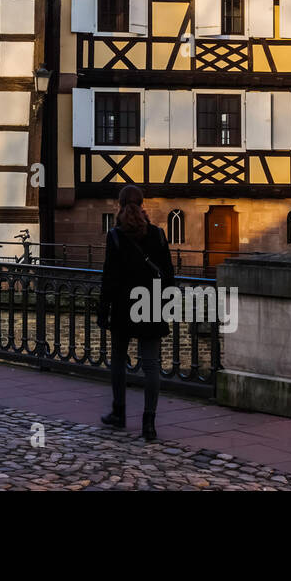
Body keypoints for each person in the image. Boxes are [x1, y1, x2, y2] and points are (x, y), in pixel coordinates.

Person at [97, 185, 175, 443]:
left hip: (123, 304)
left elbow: (109, 277)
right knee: (151, 364)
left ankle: (119, 413)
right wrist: (166, 305)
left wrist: (103, 308)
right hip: (150, 303)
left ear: (119, 205)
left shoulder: (115, 236)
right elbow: (168, 275)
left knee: (119, 358)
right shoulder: (159, 235)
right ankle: (149, 423)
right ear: (143, 204)